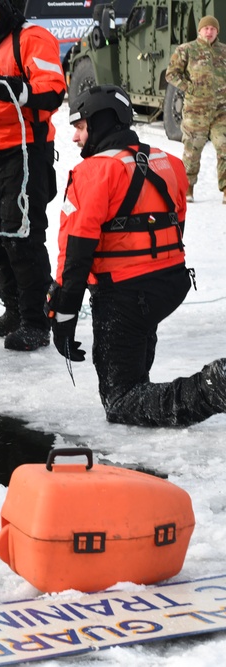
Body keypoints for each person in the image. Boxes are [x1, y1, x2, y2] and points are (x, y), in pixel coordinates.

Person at [48, 84, 226, 426]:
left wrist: (63, 316)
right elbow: (177, 228)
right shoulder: (169, 162)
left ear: (101, 123)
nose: (75, 138)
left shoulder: (93, 172)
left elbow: (76, 251)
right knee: (134, 374)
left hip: (126, 294)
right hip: (167, 286)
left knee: (121, 400)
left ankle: (213, 385)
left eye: (81, 127)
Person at [0, 0, 66, 351]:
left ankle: (36, 320)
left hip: (26, 151)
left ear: (3, 9)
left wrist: (15, 90)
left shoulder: (31, 38)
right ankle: (15, 309)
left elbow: (53, 92)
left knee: (21, 237)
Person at [165, 15, 226, 203]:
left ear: (217, 31)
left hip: (221, 111)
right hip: (195, 111)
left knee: (224, 147)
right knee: (192, 149)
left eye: (213, 29)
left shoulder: (224, 51)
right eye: (206, 28)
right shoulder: (186, 50)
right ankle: (188, 189)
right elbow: (171, 74)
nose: (209, 32)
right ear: (200, 31)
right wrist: (189, 87)